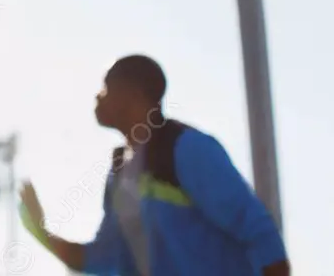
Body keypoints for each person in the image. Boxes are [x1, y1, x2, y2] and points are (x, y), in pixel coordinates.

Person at [19, 55, 290, 276]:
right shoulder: (119, 173)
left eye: (106, 87)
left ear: (133, 94)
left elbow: (259, 234)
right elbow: (101, 258)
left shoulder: (187, 148)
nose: (98, 97)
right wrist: (40, 230)